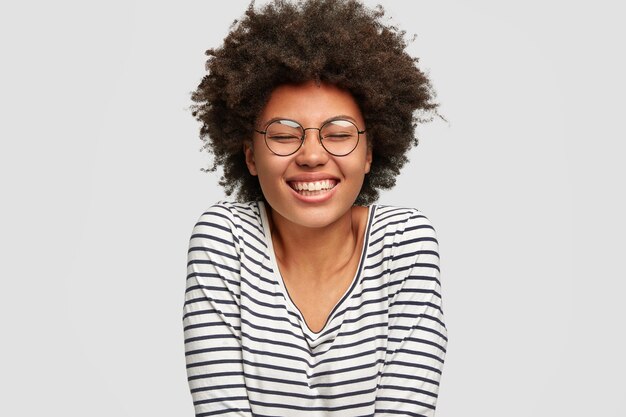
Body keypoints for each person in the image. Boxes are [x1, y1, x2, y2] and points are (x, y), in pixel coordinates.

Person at [183, 1, 447, 416]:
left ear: (369, 153)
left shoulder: (404, 244)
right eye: (284, 135)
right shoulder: (224, 241)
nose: (311, 156)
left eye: (338, 134)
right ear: (250, 155)